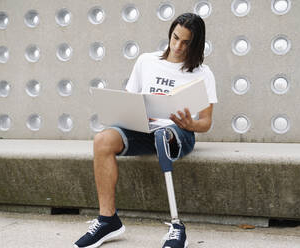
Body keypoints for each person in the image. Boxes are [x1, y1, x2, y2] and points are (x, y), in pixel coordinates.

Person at [74, 12, 217, 248]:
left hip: (177, 133)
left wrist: (189, 124)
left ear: (196, 44)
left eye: (186, 42)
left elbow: (206, 122)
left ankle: (176, 226)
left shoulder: (203, 73)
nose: (178, 46)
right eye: (175, 38)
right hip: (142, 129)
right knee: (102, 140)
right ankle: (108, 220)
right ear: (170, 34)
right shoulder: (146, 61)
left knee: (162, 135)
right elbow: (130, 101)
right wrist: (131, 114)